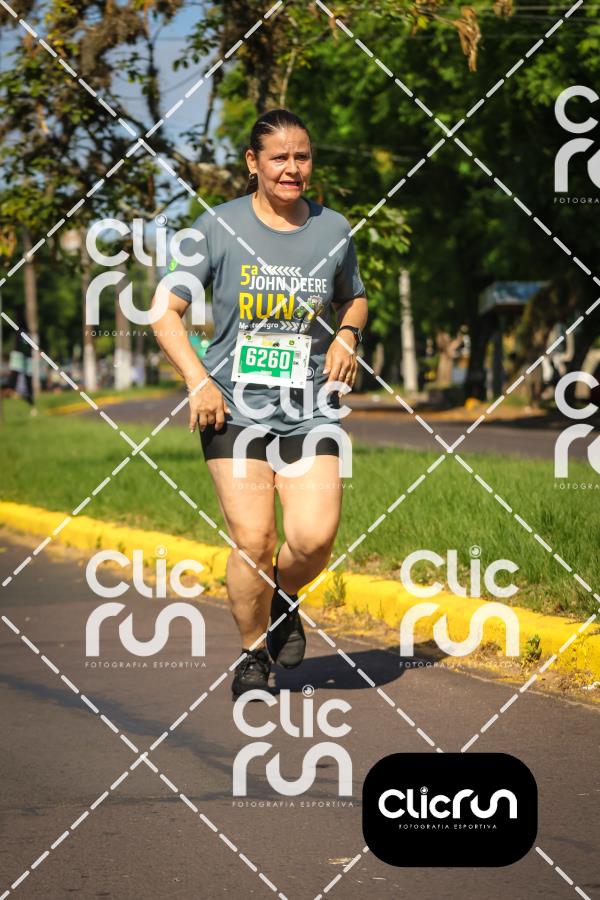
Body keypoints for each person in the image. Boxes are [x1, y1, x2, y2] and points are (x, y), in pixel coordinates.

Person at [152, 108, 367, 698]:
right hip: (231, 408)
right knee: (254, 540)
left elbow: (353, 297)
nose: (292, 168)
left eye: (302, 156)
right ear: (253, 163)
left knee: (314, 538)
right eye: (279, 158)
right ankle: (252, 654)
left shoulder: (332, 228)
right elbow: (164, 312)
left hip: (310, 406)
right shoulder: (216, 227)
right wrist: (197, 379)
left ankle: (283, 597)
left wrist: (348, 335)